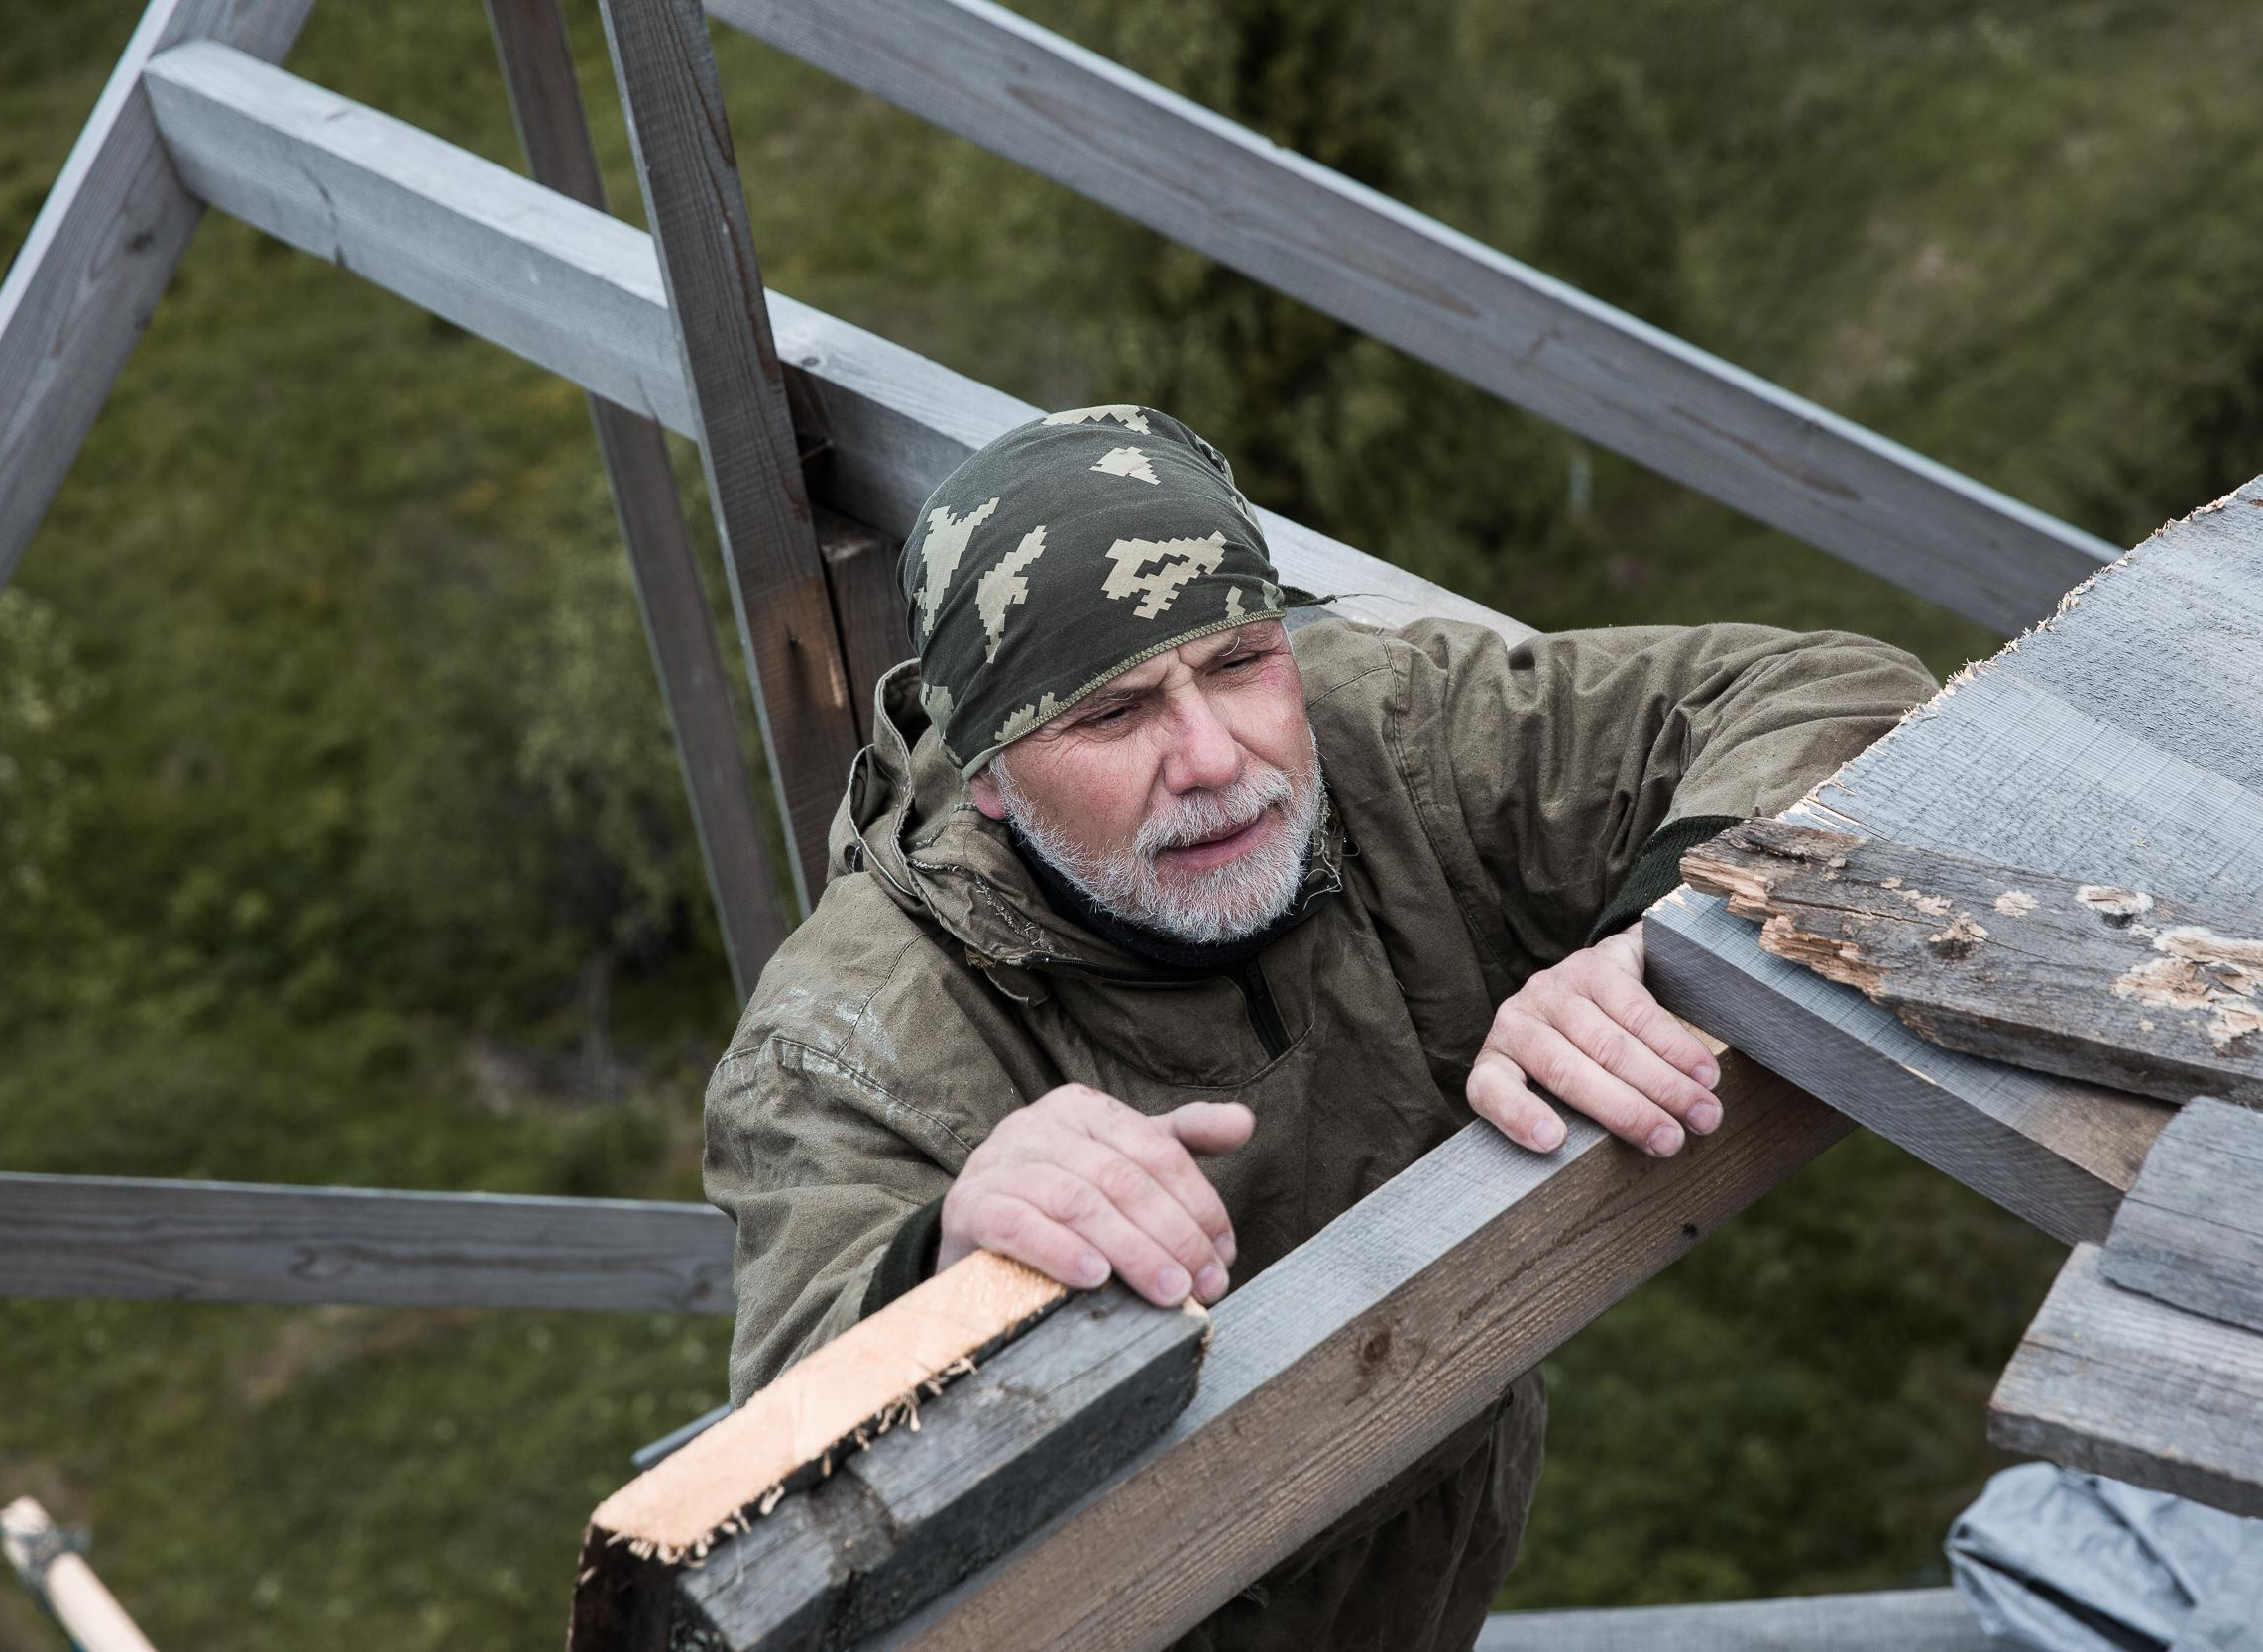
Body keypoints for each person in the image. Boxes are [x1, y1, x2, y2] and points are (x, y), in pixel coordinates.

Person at [703, 405, 1936, 1650]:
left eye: (1238, 659)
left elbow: (1845, 692)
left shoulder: (1378, 732)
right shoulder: (846, 1035)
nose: (1209, 753)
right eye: (1111, 711)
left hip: (1427, 1539)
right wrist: (947, 1265)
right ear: (987, 777)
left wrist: (1646, 942)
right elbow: (778, 1498)